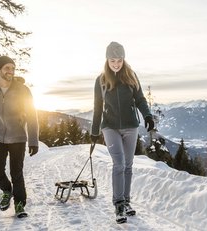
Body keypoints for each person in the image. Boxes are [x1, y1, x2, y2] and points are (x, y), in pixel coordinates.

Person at [91, 42, 155, 224]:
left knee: (128, 164)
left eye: (119, 60)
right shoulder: (101, 81)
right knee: (118, 163)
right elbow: (97, 108)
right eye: (113, 60)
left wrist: (148, 117)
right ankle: (118, 204)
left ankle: (126, 201)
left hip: (130, 126)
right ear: (107, 60)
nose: (116, 64)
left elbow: (140, 99)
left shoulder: (131, 77)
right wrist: (95, 131)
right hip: (110, 127)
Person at [0, 55, 39, 218]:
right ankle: (7, 190)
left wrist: (33, 140)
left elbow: (32, 115)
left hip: (18, 137)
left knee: (16, 173)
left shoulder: (23, 90)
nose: (10, 71)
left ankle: (20, 204)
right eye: (7, 68)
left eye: (12, 68)